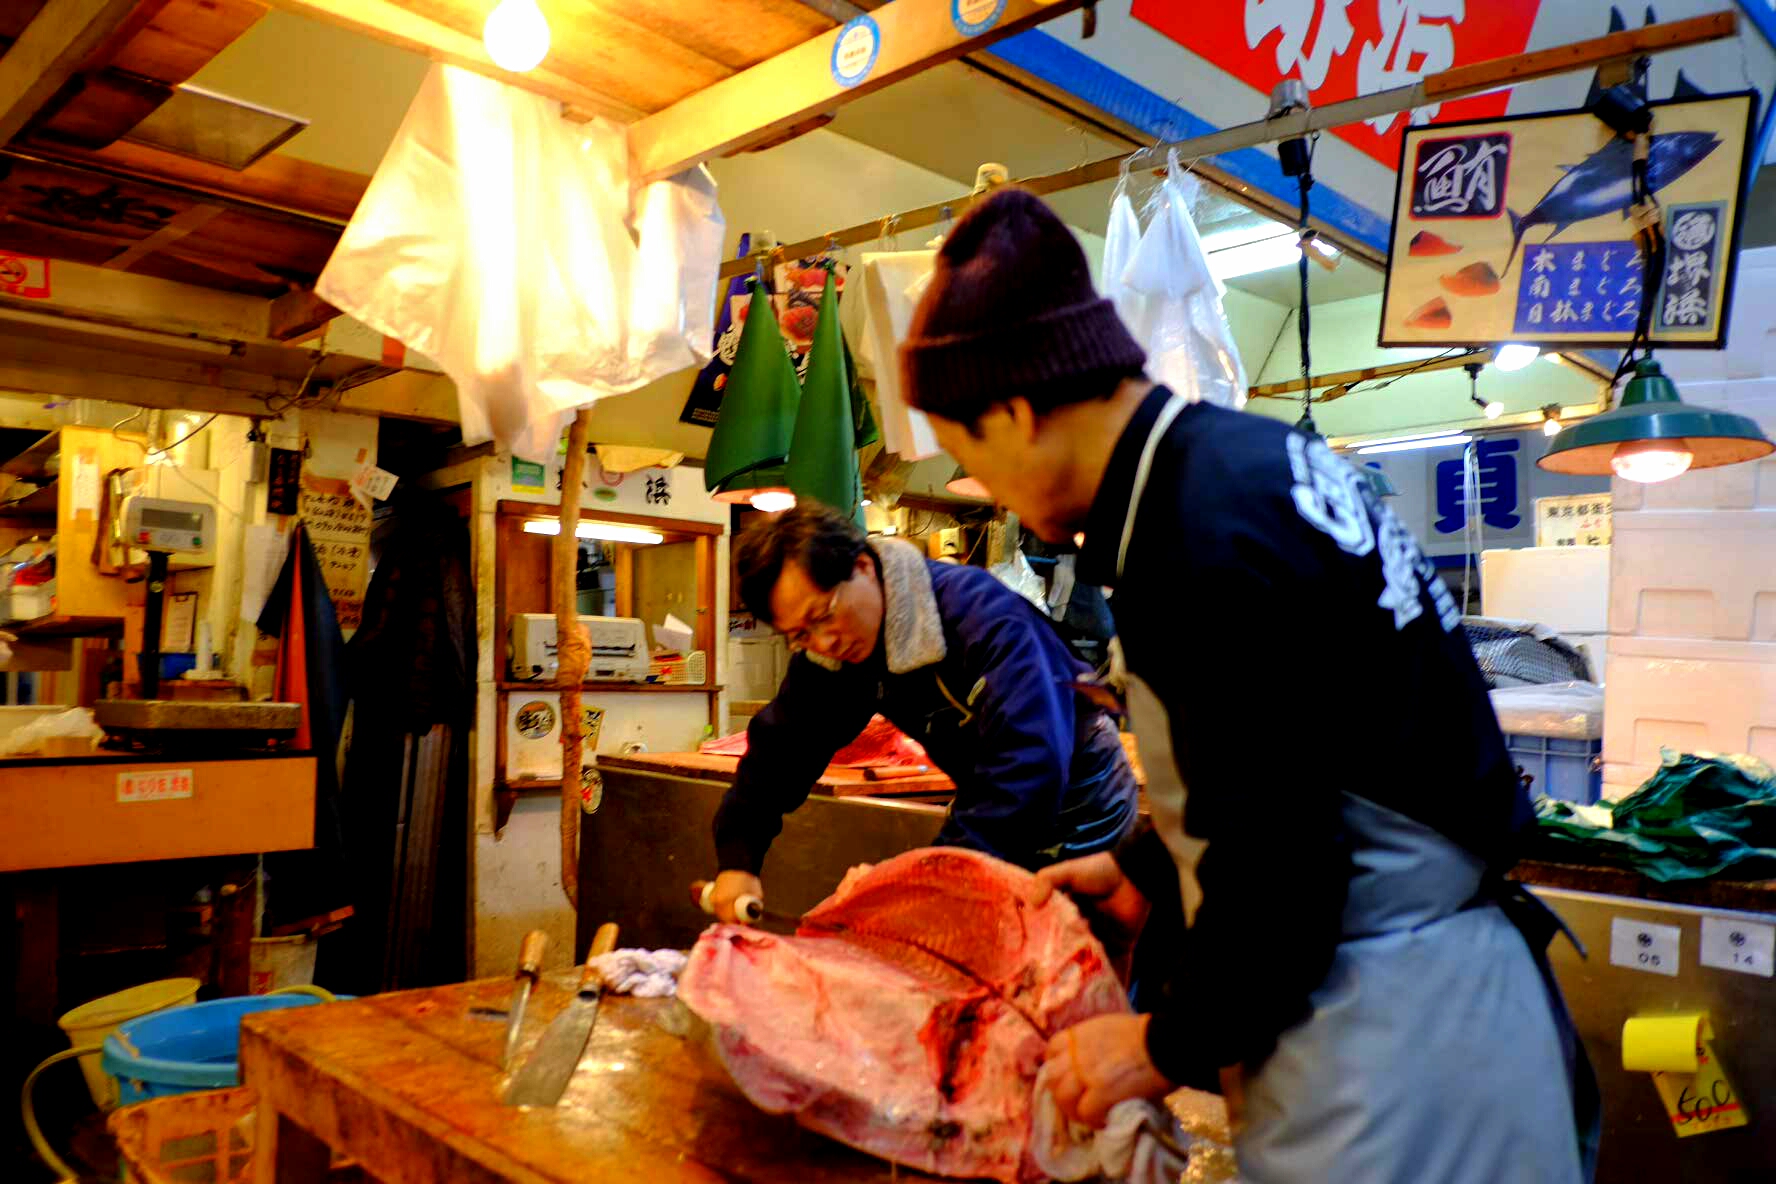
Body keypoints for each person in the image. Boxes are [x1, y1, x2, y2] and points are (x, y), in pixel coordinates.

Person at [897, 187, 1597, 1183]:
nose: (987, 492)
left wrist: (1159, 1044)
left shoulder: (1192, 536)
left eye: (968, 453)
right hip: (1441, 1000)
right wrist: (1144, 868)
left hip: (1390, 1049)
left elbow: (1285, 870)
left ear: (1014, 412)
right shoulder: (1249, 465)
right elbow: (1314, 752)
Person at [704, 502, 1139, 922]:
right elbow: (781, 752)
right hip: (991, 795)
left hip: (1082, 797)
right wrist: (738, 860)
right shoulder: (832, 651)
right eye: (799, 634)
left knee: (1065, 950)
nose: (822, 642)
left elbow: (1032, 757)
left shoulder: (982, 617)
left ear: (862, 566)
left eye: (823, 615)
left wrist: (939, 877)